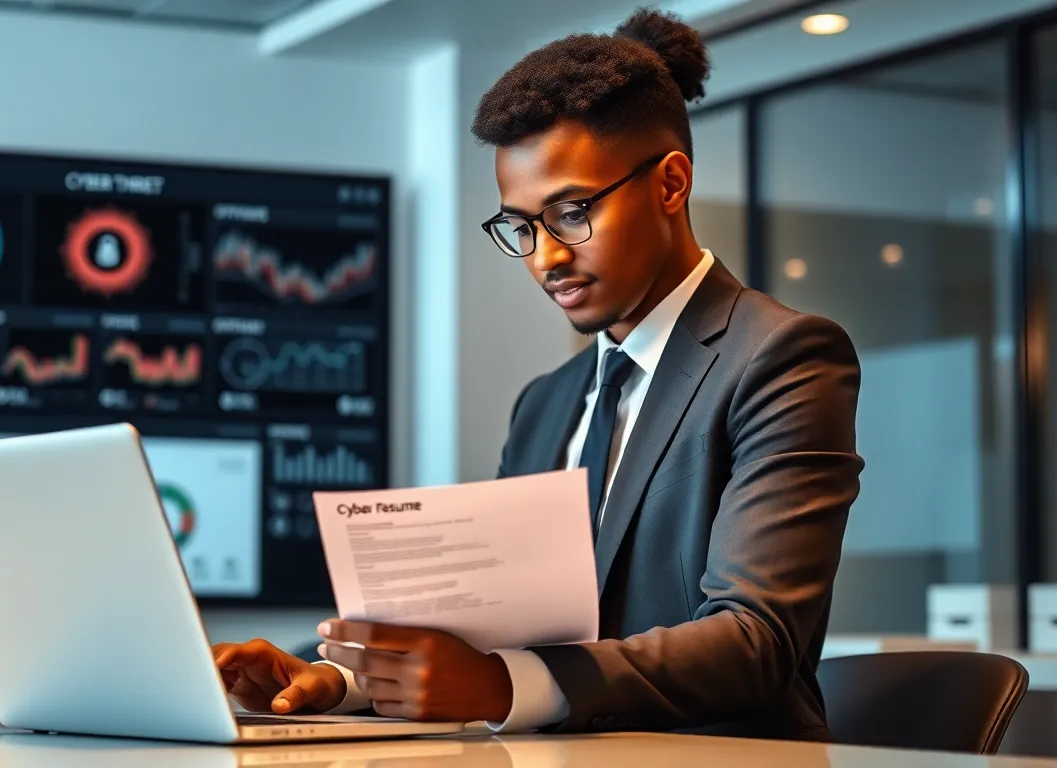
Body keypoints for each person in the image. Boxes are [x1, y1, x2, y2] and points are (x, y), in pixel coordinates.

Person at [212, 7, 863, 740]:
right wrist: (340, 679)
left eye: (572, 211)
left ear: (672, 184)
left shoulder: (779, 357)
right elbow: (490, 620)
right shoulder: (547, 403)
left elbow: (756, 641)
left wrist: (498, 683)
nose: (545, 258)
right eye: (520, 226)